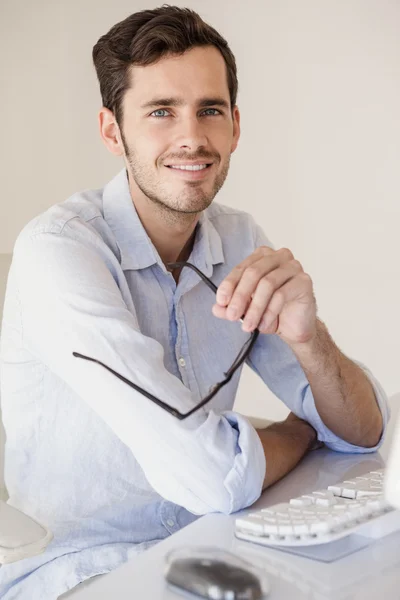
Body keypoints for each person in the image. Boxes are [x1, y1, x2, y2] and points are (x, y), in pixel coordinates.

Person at [0, 6, 389, 599]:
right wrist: (299, 432)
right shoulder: (59, 253)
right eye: (161, 112)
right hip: (76, 571)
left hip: (210, 548)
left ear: (235, 125)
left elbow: (363, 432)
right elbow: (213, 479)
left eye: (209, 110)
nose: (192, 137)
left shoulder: (239, 239)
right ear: (112, 131)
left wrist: (311, 344)